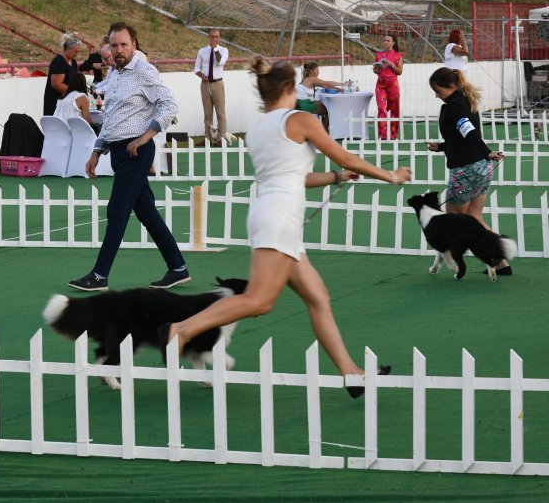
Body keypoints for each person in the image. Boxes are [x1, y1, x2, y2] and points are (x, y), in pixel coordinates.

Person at [164, 56, 411, 396]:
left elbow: (298, 175)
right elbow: (345, 156)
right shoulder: (302, 119)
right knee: (259, 301)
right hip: (279, 217)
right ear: (291, 89)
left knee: (318, 298)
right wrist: (390, 176)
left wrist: (336, 178)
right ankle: (183, 330)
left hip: (272, 215)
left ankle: (352, 374)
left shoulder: (260, 126)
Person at [68, 22, 188, 292]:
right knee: (147, 213)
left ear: (134, 44)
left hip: (138, 150)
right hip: (118, 150)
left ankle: (99, 276)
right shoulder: (116, 75)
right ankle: (178, 268)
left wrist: (146, 137)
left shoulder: (144, 71)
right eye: (114, 45)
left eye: (124, 44)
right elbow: (111, 117)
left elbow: (169, 105)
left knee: (117, 211)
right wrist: (97, 150)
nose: (119, 50)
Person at [426, 67, 509, 275]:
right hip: (480, 167)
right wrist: (442, 146)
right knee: (475, 217)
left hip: (466, 169)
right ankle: (500, 261)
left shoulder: (454, 107)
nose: (437, 95)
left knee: (454, 220)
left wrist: (487, 152)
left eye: (438, 90)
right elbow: (460, 137)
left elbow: (470, 134)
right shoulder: (465, 100)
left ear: (451, 86)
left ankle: (458, 262)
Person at [193, 28, 229, 146]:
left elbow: (220, 62)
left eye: (217, 37)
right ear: (209, 37)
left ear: (219, 38)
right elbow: (196, 68)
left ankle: (221, 139)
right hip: (205, 84)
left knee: (220, 113)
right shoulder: (202, 51)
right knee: (207, 114)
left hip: (218, 84)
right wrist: (201, 75)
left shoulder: (223, 50)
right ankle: (207, 139)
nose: (215, 39)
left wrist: (215, 50)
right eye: (212, 36)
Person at [296, 61, 342, 132]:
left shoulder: (308, 80)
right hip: (303, 105)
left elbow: (326, 85)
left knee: (322, 104)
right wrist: (344, 84)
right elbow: (328, 83)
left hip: (301, 103)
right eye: (317, 70)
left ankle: (323, 130)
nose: (318, 72)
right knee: (330, 111)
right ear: (311, 71)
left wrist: (340, 89)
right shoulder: (312, 79)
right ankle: (324, 132)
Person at [43, 33, 82, 116]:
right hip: (56, 103)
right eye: (75, 51)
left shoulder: (73, 62)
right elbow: (57, 85)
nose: (77, 54)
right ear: (68, 48)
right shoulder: (58, 61)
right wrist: (74, 91)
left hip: (68, 103)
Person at [373, 34, 403, 140]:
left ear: (393, 43)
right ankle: (383, 134)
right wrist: (376, 69)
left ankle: (393, 134)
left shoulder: (397, 55)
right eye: (384, 40)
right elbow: (376, 71)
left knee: (394, 109)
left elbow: (400, 72)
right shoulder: (378, 54)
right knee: (381, 108)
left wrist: (391, 64)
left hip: (393, 83)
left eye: (388, 41)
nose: (386, 42)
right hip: (380, 84)